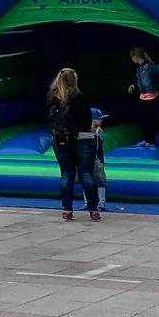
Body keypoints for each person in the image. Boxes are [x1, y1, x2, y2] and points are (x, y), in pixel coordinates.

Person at [48, 68, 102, 222]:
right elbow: (86, 119)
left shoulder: (53, 97)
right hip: (82, 138)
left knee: (66, 173)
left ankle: (67, 210)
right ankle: (93, 210)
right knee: (86, 173)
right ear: (74, 80)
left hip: (60, 139)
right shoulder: (78, 97)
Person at [128, 47, 159, 146]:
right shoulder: (138, 68)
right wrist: (134, 85)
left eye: (132, 57)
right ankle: (145, 139)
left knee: (150, 119)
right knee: (142, 119)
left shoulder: (149, 67)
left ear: (136, 57)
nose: (132, 59)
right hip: (142, 97)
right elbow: (141, 82)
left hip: (152, 98)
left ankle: (151, 141)